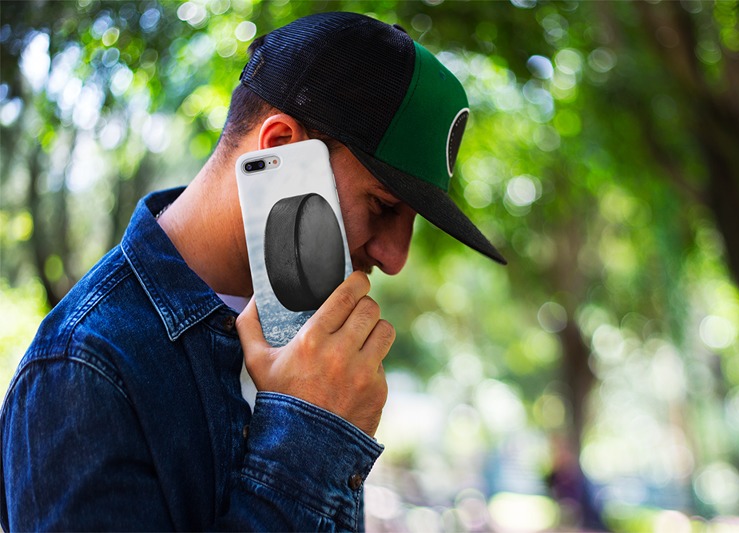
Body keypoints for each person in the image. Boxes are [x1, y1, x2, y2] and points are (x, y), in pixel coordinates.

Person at [0, 11, 506, 531]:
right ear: (281, 146)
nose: (395, 258)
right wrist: (310, 432)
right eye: (382, 205)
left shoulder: (309, 341)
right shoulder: (82, 369)